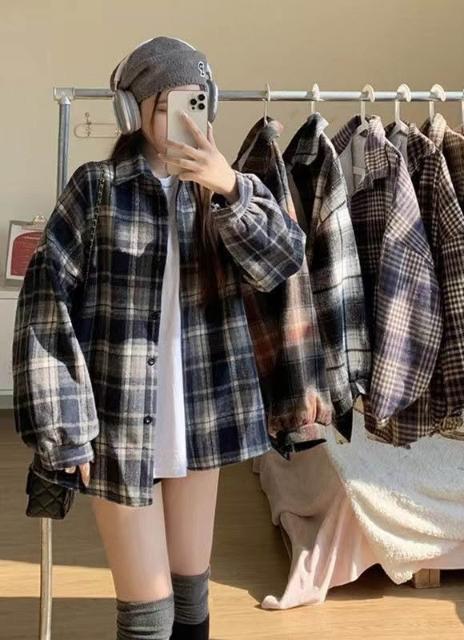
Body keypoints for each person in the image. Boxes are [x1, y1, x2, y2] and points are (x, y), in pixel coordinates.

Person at [13, 36, 306, 640]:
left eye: (195, 102)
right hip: (119, 425)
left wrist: (231, 189)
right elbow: (44, 308)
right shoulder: (97, 189)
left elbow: (282, 264)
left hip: (199, 419)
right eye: (168, 105)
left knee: (192, 597)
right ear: (133, 110)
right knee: (149, 613)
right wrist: (67, 428)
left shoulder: (228, 190)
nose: (183, 118)